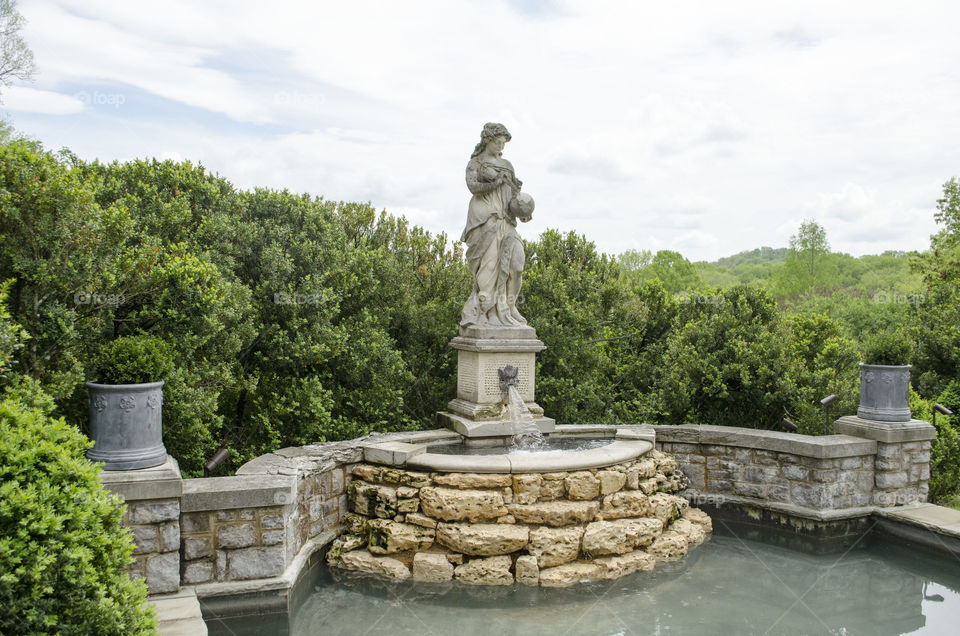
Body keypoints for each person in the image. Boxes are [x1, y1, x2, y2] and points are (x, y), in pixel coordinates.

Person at [460, 122, 532, 329]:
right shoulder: (476, 163)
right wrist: (496, 182)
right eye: (498, 142)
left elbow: (513, 196)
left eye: (503, 144)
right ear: (487, 140)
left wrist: (523, 209)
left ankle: (509, 307)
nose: (501, 147)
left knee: (516, 264)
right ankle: (488, 312)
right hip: (485, 219)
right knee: (490, 266)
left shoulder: (507, 165)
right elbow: (473, 187)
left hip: (506, 220)